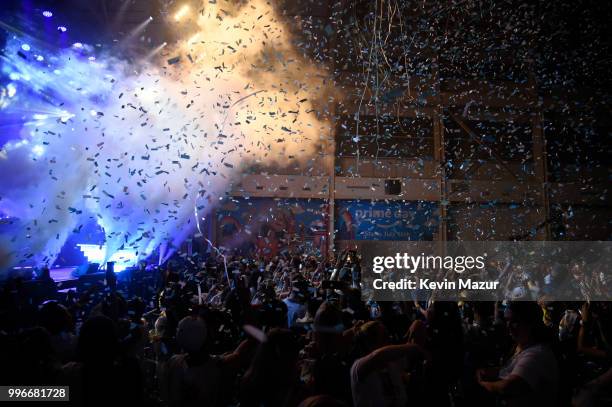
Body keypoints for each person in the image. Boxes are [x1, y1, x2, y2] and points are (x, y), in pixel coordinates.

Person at [477, 302, 559, 407]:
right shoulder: (521, 346)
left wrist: (482, 384)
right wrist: (489, 372)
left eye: (515, 321)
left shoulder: (537, 354)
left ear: (530, 323)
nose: (508, 326)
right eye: (507, 320)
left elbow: (508, 387)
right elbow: (509, 370)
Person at [350, 320, 426, 407]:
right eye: (384, 336)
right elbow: (379, 355)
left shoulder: (391, 362)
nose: (390, 338)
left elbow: (419, 339)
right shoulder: (358, 367)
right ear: (369, 343)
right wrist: (413, 347)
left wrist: (418, 323)